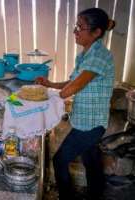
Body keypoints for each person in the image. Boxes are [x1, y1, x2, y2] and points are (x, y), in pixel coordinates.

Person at [36, 8, 115, 200]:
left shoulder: (99, 56)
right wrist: (50, 84)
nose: (75, 31)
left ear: (96, 32)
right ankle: (96, 194)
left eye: (80, 27)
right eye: (76, 26)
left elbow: (76, 86)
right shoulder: (86, 54)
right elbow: (72, 81)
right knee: (91, 159)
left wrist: (48, 98)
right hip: (85, 120)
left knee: (60, 160)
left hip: (91, 124)